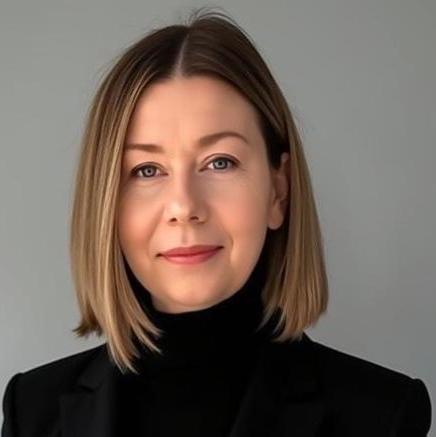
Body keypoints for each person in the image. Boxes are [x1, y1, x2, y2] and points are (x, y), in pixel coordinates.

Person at [1, 6, 432, 437]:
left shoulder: (384, 416)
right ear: (106, 204)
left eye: (219, 162)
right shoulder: (32, 410)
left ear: (278, 191)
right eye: (147, 170)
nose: (184, 205)